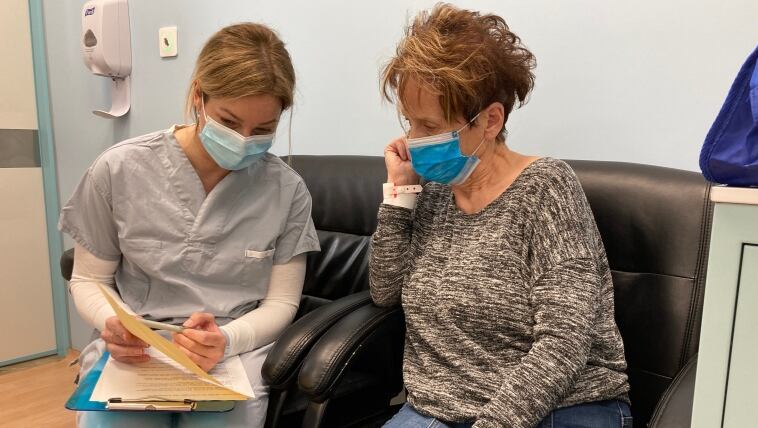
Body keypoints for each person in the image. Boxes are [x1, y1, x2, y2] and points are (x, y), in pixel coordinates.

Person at [371, 4, 631, 427]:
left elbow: (564, 343)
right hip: (439, 409)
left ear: (490, 120)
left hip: (559, 407)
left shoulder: (545, 188)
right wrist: (400, 194)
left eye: (429, 125)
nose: (413, 141)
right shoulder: (432, 191)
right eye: (410, 123)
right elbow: (385, 292)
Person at [59, 22, 320, 427]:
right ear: (199, 96)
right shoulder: (118, 169)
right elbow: (89, 280)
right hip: (138, 347)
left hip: (230, 350)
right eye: (229, 122)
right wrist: (113, 324)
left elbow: (281, 303)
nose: (244, 139)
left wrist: (227, 340)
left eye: (263, 130)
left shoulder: (286, 190)